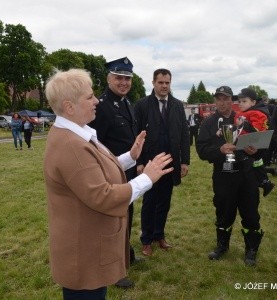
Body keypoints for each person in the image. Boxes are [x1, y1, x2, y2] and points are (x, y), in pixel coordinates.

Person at [43, 68, 173, 299]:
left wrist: (130, 156)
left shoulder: (77, 134)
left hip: (88, 247)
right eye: (89, 97)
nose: (96, 101)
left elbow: (97, 170)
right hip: (83, 254)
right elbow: (103, 195)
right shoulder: (72, 145)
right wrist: (148, 178)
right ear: (69, 106)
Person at [196, 86, 264, 266]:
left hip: (246, 173)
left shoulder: (243, 119)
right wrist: (219, 150)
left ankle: (251, 250)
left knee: (250, 213)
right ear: (215, 101)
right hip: (223, 174)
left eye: (226, 99)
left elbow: (259, 145)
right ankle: (222, 246)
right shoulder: (209, 123)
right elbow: (201, 150)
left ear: (232, 100)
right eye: (219, 99)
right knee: (224, 211)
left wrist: (254, 150)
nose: (223, 102)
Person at [88, 56, 140, 289]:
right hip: (109, 173)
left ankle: (125, 253)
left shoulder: (126, 103)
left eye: (127, 78)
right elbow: (94, 144)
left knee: (126, 215)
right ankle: (114, 270)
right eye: (119, 77)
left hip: (126, 170)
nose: (124, 82)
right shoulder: (101, 106)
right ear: (108, 79)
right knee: (112, 221)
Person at [134, 68, 190, 257]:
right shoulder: (142, 105)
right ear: (153, 83)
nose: (164, 86)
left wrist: (185, 161)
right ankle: (146, 240)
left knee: (164, 202)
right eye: (161, 82)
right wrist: (139, 162)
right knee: (149, 202)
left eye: (167, 82)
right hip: (149, 164)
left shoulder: (176, 105)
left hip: (170, 162)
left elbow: (184, 134)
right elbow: (137, 136)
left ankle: (160, 235)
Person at [235, 88, 274, 197]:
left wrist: (244, 124)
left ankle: (263, 181)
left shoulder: (258, 113)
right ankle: (264, 182)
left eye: (244, 101)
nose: (241, 104)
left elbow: (257, 131)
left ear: (253, 102)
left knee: (250, 163)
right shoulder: (242, 113)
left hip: (252, 144)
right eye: (239, 101)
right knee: (257, 163)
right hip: (243, 142)